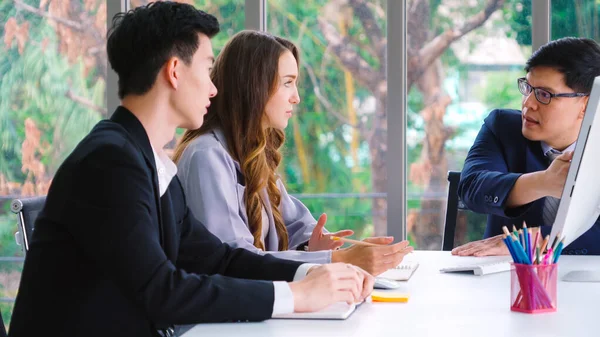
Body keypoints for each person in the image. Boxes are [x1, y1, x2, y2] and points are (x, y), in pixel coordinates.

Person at [9, 3, 373, 337]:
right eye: (208, 68)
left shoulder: (148, 160)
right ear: (174, 71)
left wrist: (314, 274)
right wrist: (295, 296)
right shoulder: (111, 162)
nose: (215, 89)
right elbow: (163, 291)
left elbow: (218, 258)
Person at [172, 30, 413, 276]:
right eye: (287, 83)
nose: (296, 98)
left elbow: (296, 223)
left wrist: (314, 246)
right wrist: (334, 260)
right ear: (254, 86)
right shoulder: (206, 156)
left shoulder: (252, 154)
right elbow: (234, 259)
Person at [451, 37, 600, 257]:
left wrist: (534, 239)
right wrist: (544, 182)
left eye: (544, 94)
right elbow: (472, 188)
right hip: (504, 279)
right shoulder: (502, 127)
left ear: (586, 104)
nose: (527, 103)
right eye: (528, 88)